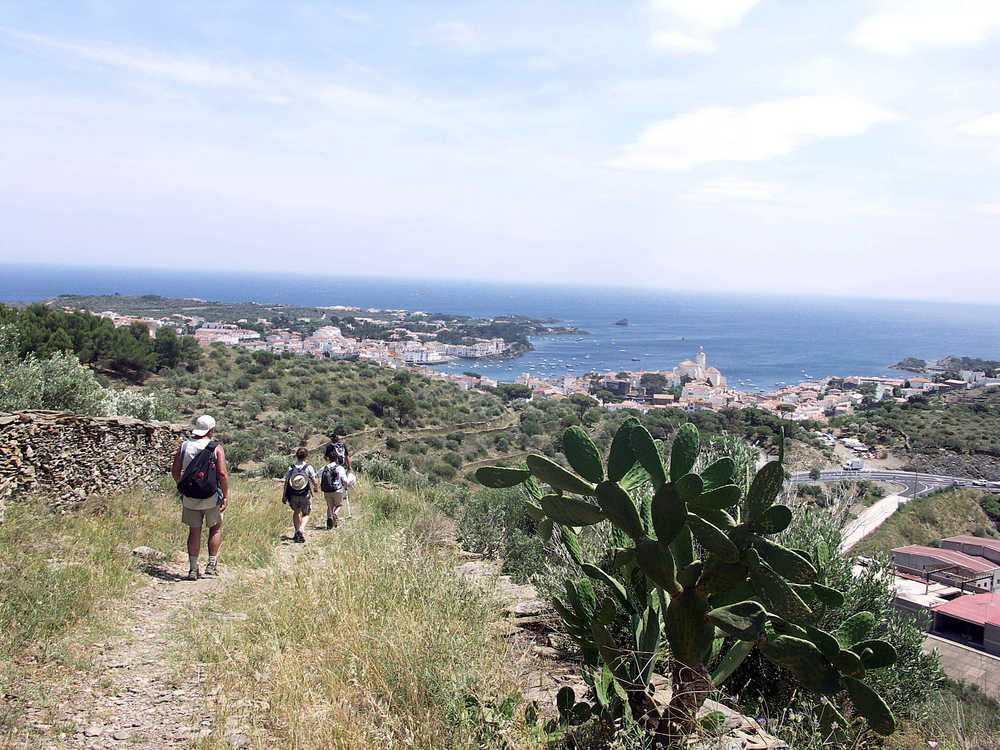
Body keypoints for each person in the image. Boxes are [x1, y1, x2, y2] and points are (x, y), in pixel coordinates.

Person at [171, 414, 228, 580]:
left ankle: (193, 568)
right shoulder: (216, 447)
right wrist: (225, 495)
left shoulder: (184, 447)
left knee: (194, 531)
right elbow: (222, 474)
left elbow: (175, 471)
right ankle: (211, 564)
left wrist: (182, 485)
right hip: (211, 495)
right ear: (211, 430)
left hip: (190, 496)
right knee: (215, 527)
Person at [283, 447, 318, 543]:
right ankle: (301, 529)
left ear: (296, 456)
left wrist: (284, 495)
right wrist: (316, 487)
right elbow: (314, 480)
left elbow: (286, 482)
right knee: (306, 513)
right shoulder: (308, 467)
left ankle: (296, 531)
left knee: (296, 512)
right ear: (306, 456)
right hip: (305, 494)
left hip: (293, 493)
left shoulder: (291, 467)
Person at [324, 428, 352, 518]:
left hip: (333, 467)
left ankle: (331, 514)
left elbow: (326, 458)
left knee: (334, 482)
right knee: (343, 482)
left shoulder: (330, 447)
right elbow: (347, 456)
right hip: (343, 467)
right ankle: (340, 497)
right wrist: (349, 466)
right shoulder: (343, 445)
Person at [319, 459, 347, 529]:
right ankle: (335, 514)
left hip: (327, 491)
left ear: (328, 459)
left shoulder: (324, 468)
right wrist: (345, 487)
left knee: (330, 506)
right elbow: (345, 480)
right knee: (339, 505)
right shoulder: (339, 468)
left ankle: (329, 521)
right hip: (337, 490)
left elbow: (318, 475)